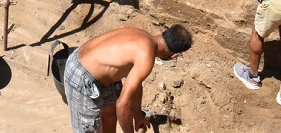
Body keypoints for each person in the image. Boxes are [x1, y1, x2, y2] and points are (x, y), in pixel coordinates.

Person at [63, 25, 192, 133]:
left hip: (90, 64)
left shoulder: (143, 35)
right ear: (174, 55)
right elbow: (122, 104)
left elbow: (136, 84)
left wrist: (138, 116)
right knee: (90, 128)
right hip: (81, 75)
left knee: (110, 115)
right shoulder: (147, 56)